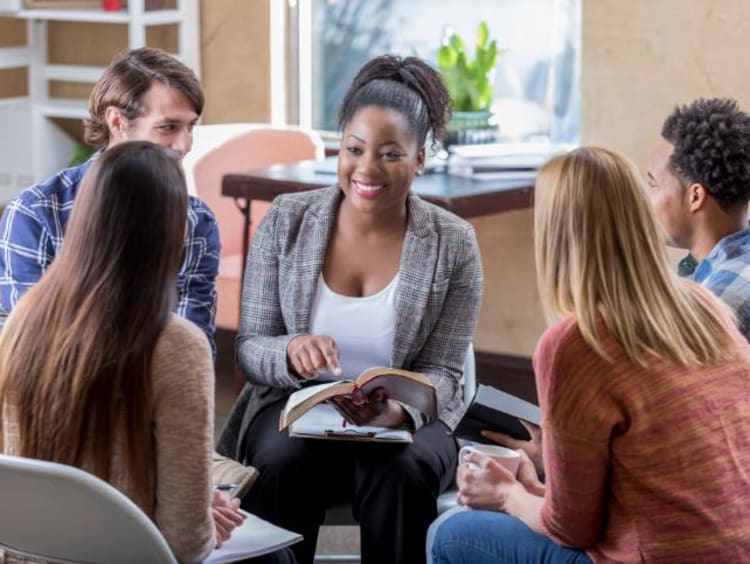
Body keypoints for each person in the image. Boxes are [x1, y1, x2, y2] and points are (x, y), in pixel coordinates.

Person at [216, 55, 483, 564]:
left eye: (389, 154)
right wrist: (292, 351)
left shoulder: (453, 242)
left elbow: (447, 372)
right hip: (297, 409)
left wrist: (398, 409)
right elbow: (251, 349)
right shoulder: (288, 221)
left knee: (401, 471)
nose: (366, 169)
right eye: (353, 149)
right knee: (281, 460)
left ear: (421, 157)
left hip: (405, 423)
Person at [429, 147, 750, 563]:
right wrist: (542, 486)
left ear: (554, 233)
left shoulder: (575, 344)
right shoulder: (703, 307)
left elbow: (571, 529)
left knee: (449, 533)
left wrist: (507, 494)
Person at [0, 141, 244, 562]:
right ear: (172, 231)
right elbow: (185, 545)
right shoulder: (176, 345)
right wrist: (203, 519)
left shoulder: (22, 321)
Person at [484, 98, 750, 474]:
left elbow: (664, 441)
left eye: (653, 185)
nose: (645, 202)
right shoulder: (708, 274)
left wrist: (556, 463)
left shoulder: (719, 304)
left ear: (695, 196)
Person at [0, 47, 220, 355]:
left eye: (191, 126)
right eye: (168, 127)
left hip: (154, 390)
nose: (184, 145)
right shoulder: (36, 213)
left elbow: (192, 350)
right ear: (117, 122)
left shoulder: (197, 221)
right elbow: (28, 344)